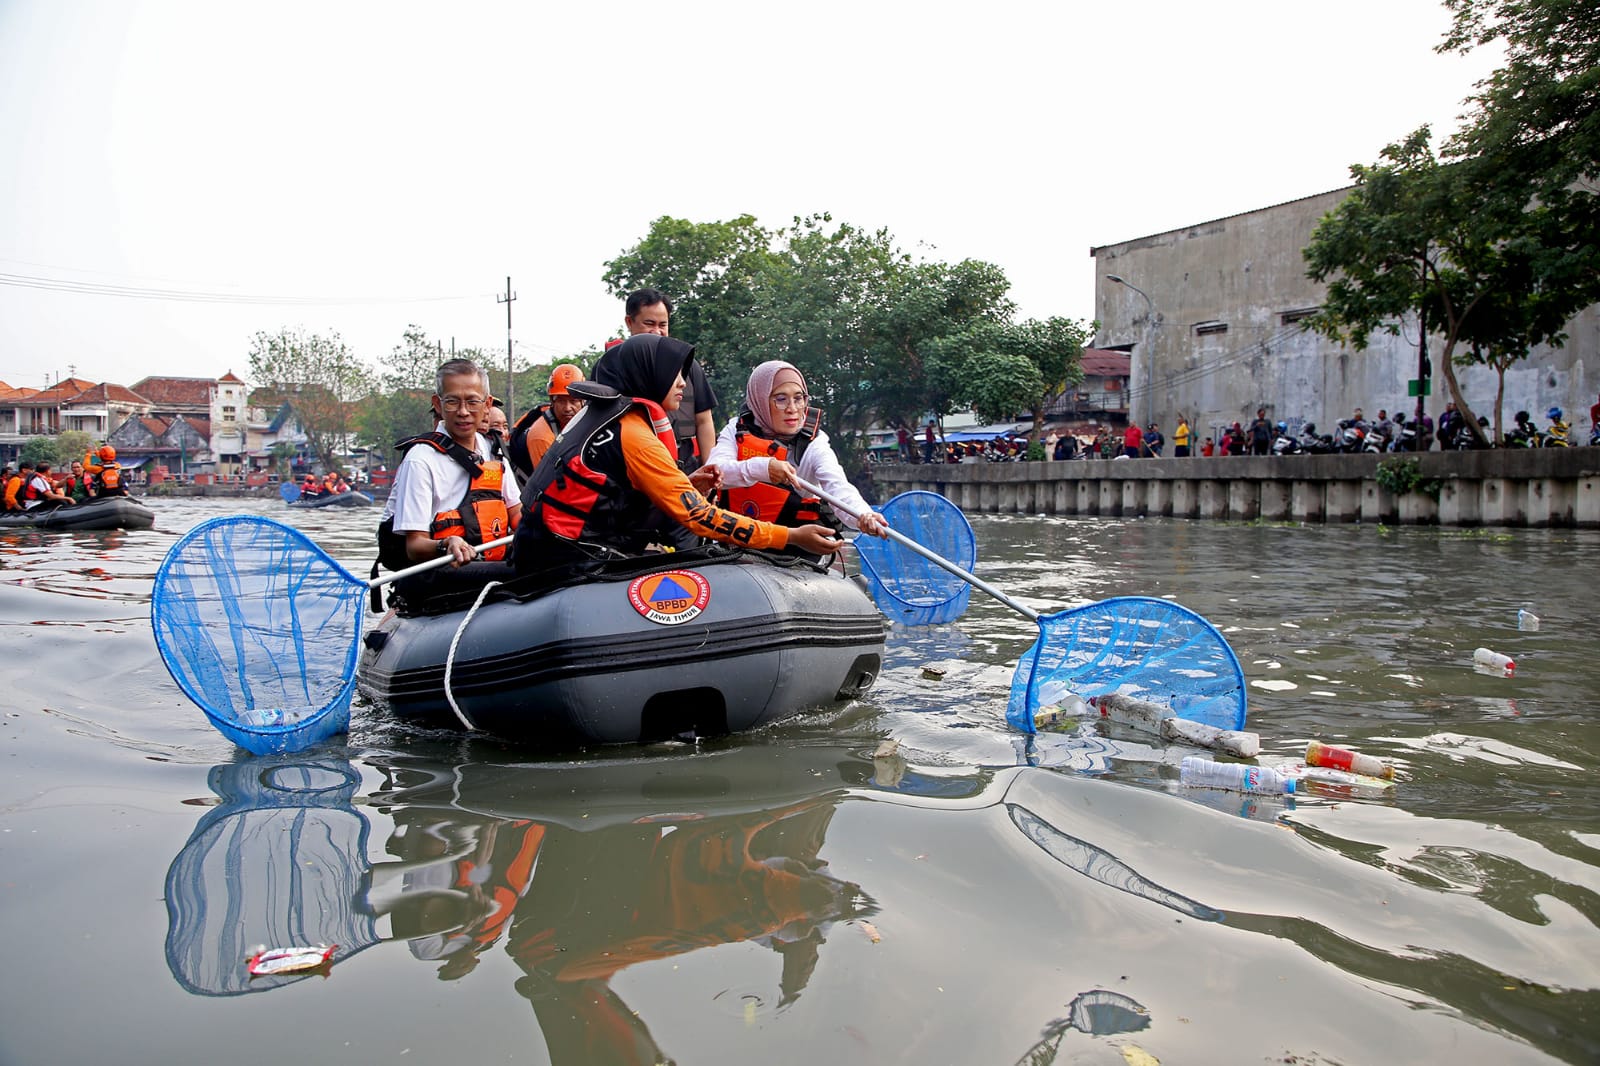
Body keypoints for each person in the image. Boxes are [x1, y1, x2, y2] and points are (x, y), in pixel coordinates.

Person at [514, 334, 841, 580]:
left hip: (547, 546)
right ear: (647, 375)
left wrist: (686, 484)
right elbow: (700, 517)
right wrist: (790, 536)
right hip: (567, 559)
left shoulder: (609, 416)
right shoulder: (634, 434)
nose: (684, 384)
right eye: (674, 374)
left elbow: (620, 493)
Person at [706, 360, 888, 556]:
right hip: (740, 542)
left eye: (798, 398)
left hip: (795, 548)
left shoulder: (814, 443)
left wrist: (863, 515)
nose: (792, 408)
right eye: (781, 399)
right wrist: (764, 468)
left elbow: (837, 487)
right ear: (760, 400)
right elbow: (714, 472)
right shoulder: (735, 430)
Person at [378, 358, 521, 571]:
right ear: (438, 404)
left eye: (472, 402)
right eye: (453, 401)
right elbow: (414, 546)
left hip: (488, 562)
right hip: (439, 572)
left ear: (487, 405)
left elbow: (516, 512)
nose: (463, 412)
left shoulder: (493, 451)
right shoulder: (420, 460)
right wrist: (447, 543)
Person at [623, 289, 717, 472]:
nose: (657, 332)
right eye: (649, 323)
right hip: (638, 466)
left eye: (662, 325)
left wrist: (709, 468)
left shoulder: (688, 364)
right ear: (629, 322)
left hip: (685, 464)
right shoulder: (615, 367)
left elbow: (704, 420)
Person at [508, 363, 585, 481]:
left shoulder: (580, 421)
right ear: (552, 402)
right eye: (561, 401)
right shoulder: (541, 436)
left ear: (583, 402)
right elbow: (549, 484)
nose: (567, 408)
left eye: (573, 401)